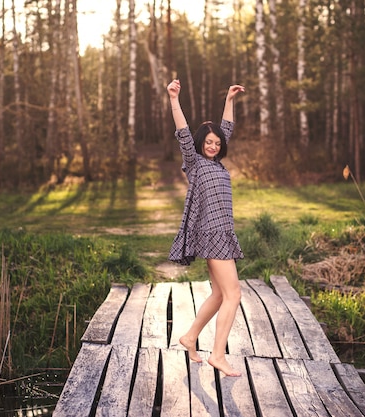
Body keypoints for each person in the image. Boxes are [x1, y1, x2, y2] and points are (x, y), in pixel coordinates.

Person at [166, 79, 245, 377]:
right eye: (208, 142)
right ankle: (217, 355)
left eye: (216, 143)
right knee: (234, 293)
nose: (213, 146)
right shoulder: (195, 162)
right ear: (199, 145)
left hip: (222, 233)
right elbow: (182, 131)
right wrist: (174, 99)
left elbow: (226, 128)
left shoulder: (217, 164)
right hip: (212, 236)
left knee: (219, 294)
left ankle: (189, 337)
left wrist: (229, 99)